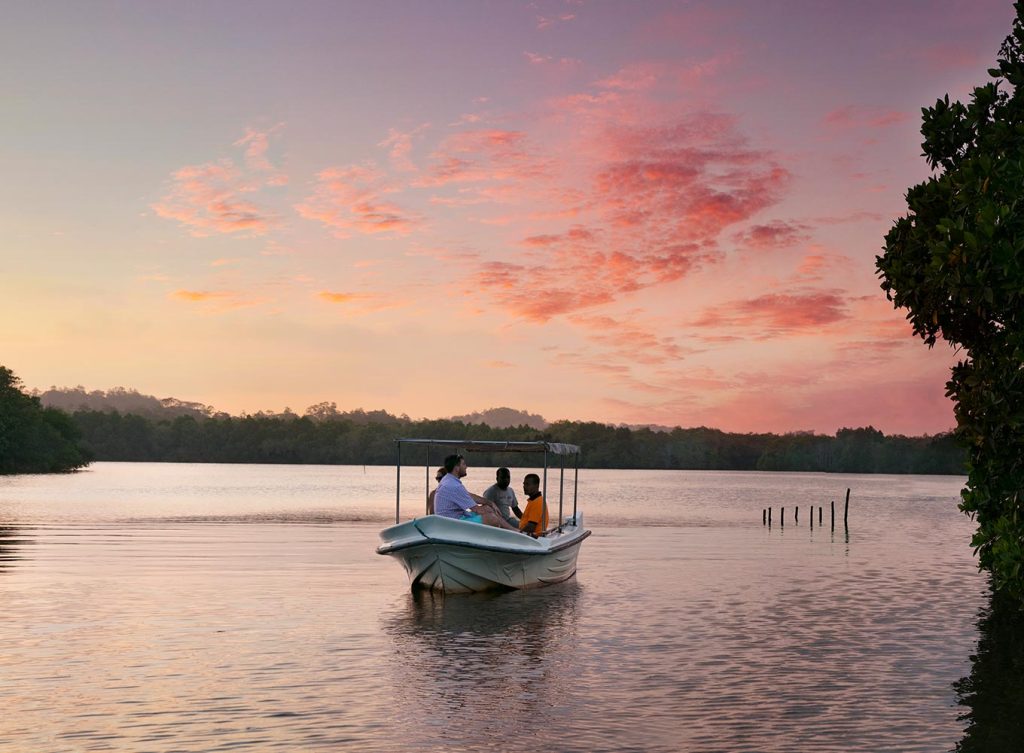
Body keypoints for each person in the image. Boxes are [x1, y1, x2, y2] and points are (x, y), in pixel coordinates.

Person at [433, 454, 518, 530]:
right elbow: (477, 509)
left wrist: (490, 503)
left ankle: (514, 530)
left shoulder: (449, 480)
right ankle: (514, 531)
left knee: (488, 508)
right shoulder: (454, 485)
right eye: (464, 464)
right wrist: (493, 514)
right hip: (452, 523)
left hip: (456, 518)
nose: (466, 467)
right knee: (491, 518)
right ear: (456, 468)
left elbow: (469, 496)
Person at [519, 473, 549, 538]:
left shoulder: (538, 502)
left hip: (532, 537)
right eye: (524, 484)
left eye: (527, 484)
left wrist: (517, 535)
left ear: (536, 486)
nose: (524, 487)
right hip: (526, 534)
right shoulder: (533, 500)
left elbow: (531, 527)